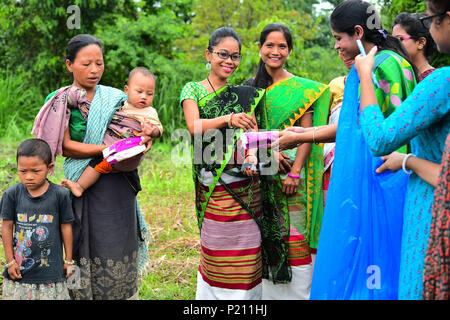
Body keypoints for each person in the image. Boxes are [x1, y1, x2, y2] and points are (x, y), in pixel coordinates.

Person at [275, 0, 417, 299]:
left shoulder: (378, 66)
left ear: (357, 31)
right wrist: (306, 133)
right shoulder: (390, 62)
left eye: (339, 38)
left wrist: (305, 135)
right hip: (377, 174)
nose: (337, 46)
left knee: (372, 254)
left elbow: (379, 131)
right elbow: (356, 124)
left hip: (376, 176)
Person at [31, 34, 152, 300]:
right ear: (69, 65)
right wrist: (108, 150)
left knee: (119, 242)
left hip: (118, 185)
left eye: (99, 63)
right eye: (86, 64)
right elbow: (64, 146)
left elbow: (135, 128)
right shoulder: (60, 99)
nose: (94, 70)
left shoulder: (116, 97)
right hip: (82, 184)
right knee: (86, 243)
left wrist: (143, 140)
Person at [354, 0, 449, 299]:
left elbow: (379, 139)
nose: (431, 28)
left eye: (432, 18)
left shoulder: (441, 83)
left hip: (433, 215)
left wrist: (365, 76)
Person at [179, 27, 268, 300]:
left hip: (246, 186)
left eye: (236, 57)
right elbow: (194, 126)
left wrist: (258, 154)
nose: (230, 61)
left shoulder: (244, 95)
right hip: (213, 187)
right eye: (223, 55)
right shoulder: (193, 89)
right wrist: (228, 118)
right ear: (208, 54)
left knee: (248, 249)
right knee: (217, 248)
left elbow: (254, 136)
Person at [246, 23, 331, 299]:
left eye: (282, 46)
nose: (275, 51)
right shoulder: (249, 89)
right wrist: (269, 150)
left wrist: (295, 171)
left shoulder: (303, 89)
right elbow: (246, 133)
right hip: (259, 174)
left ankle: (299, 293)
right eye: (269, 45)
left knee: (295, 236)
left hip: (293, 178)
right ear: (260, 49)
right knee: (265, 236)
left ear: (290, 51)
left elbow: (307, 134)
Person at [60, 67, 163, 197]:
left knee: (99, 162)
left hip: (130, 152)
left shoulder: (150, 111)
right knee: (100, 164)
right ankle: (81, 186)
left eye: (149, 94)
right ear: (126, 90)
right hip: (115, 153)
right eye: (139, 91)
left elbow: (159, 129)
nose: (144, 97)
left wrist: (152, 131)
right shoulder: (118, 104)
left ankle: (80, 186)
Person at [1, 139, 74, 300]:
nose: (28, 177)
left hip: (50, 271)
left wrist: (68, 260)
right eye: (23, 171)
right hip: (21, 270)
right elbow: (6, 227)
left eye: (35, 171)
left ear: (49, 168)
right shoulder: (12, 194)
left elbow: (66, 227)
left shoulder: (59, 195)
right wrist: (10, 261)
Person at [393, 12, 437, 82]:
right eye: (393, 40)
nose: (394, 45)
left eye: (399, 39)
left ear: (421, 42)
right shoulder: (402, 81)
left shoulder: (435, 80)